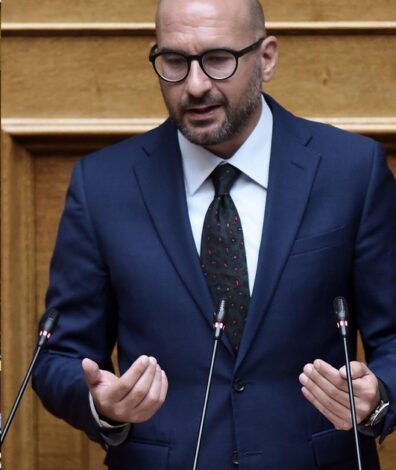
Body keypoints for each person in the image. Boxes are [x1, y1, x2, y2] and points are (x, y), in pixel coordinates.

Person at [32, 0, 396, 468]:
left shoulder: (352, 171)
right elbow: (59, 353)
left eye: (218, 59)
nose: (196, 85)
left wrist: (379, 395)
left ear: (266, 58)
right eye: (174, 62)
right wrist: (100, 403)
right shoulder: (102, 185)